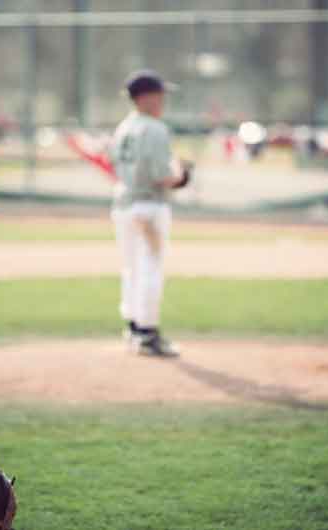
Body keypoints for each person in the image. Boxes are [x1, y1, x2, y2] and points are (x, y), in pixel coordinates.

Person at [109, 70, 192, 356]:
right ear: (145, 97)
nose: (163, 99)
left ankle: (133, 328)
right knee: (150, 268)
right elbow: (160, 176)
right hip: (149, 206)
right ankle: (148, 333)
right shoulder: (154, 128)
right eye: (159, 94)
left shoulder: (123, 128)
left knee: (131, 267)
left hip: (123, 205)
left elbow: (115, 167)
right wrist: (181, 176)